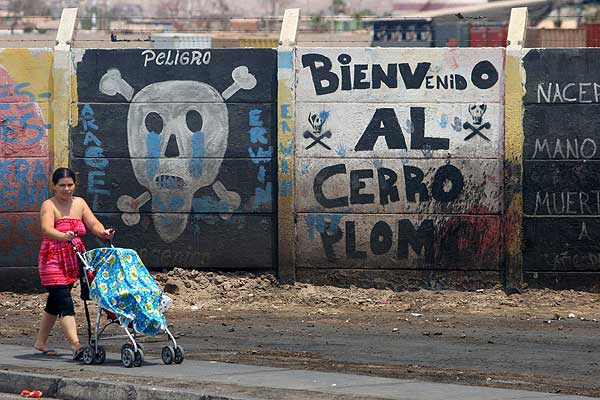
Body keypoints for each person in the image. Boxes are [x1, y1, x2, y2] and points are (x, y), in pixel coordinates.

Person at [34, 167, 114, 360]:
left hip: (74, 258)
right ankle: (76, 345)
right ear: (54, 186)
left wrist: (103, 232)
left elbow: (93, 223)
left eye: (70, 185)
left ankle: (40, 342)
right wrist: (63, 236)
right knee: (65, 302)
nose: (67, 189)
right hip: (52, 259)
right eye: (62, 185)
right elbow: (46, 229)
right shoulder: (49, 205)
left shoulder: (80, 203)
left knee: (55, 302)